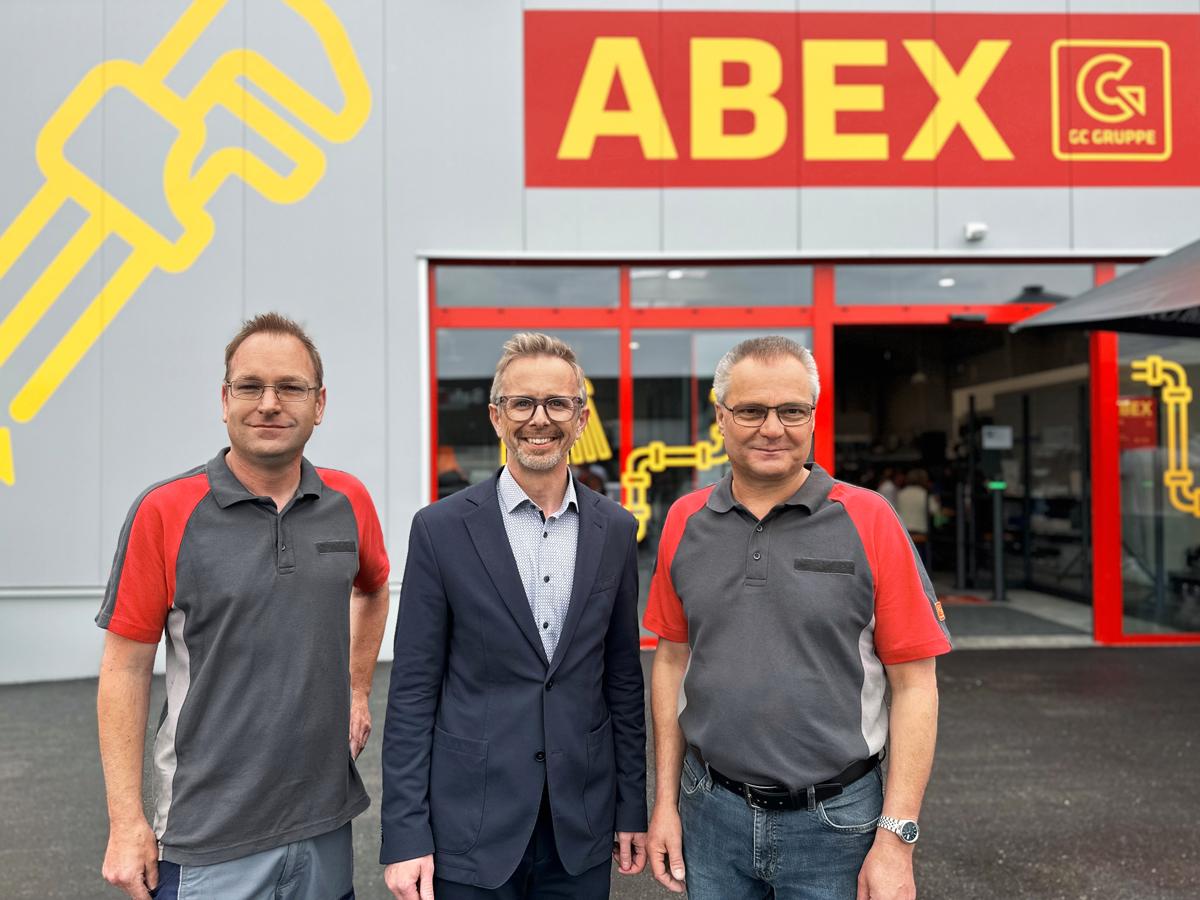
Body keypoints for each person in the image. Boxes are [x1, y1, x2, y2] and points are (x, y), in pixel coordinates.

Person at [644, 336, 951, 900]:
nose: (772, 428)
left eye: (791, 411)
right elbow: (671, 660)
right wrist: (664, 803)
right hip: (711, 814)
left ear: (813, 417)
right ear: (720, 417)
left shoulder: (870, 519)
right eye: (751, 411)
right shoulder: (684, 521)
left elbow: (915, 685)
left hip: (837, 824)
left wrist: (897, 838)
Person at [96, 313, 391, 900]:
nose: (270, 403)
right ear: (225, 398)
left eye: (291, 388)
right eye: (251, 386)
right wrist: (126, 823)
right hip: (207, 835)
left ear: (320, 403)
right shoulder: (165, 511)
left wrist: (357, 690)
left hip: (323, 822)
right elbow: (123, 669)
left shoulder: (348, 500)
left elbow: (374, 588)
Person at [381, 332, 647, 899]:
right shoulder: (441, 529)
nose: (539, 420)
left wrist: (632, 807)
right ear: (497, 417)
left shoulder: (617, 530)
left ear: (579, 417)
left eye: (557, 403)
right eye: (522, 403)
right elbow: (411, 691)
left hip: (580, 822)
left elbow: (623, 679)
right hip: (470, 823)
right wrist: (405, 833)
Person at [896, 468, 939, 568]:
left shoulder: (901, 493)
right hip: (921, 531)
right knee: (921, 555)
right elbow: (934, 510)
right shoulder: (925, 494)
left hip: (904, 530)